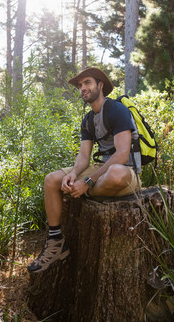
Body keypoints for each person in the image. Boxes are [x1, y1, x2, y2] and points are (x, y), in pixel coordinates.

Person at [27, 67, 141, 273]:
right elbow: (84, 157)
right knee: (52, 179)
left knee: (116, 173)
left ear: (100, 86)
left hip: (126, 172)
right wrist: (72, 174)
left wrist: (87, 182)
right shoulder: (88, 120)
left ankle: (84, 192)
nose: (83, 88)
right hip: (101, 170)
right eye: (80, 85)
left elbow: (122, 155)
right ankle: (56, 242)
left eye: (87, 82)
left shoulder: (116, 109)